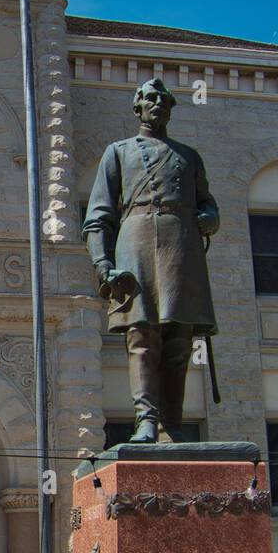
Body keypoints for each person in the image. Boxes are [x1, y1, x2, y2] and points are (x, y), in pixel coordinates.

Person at [83, 78, 219, 443]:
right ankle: (146, 419)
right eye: (149, 98)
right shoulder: (119, 152)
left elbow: (207, 202)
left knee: (178, 340)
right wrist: (102, 263)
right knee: (142, 336)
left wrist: (210, 218)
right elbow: (98, 216)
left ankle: (170, 424)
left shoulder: (189, 157)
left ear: (171, 107)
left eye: (163, 99)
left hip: (182, 250)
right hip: (136, 243)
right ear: (138, 106)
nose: (156, 103)